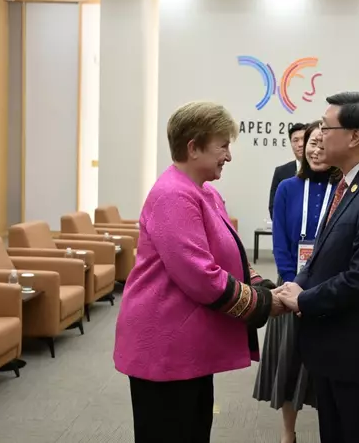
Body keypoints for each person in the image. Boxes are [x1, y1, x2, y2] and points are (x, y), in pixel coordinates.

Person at [113, 101, 284, 443]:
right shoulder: (173, 196)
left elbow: (229, 254)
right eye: (223, 146)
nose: (228, 156)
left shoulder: (205, 192)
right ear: (193, 147)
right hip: (164, 345)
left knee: (193, 429)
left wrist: (262, 286)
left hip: (186, 344)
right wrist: (263, 303)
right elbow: (201, 277)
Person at [277, 91, 359, 443]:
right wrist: (296, 284)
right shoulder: (348, 182)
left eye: (326, 126)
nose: (318, 135)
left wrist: (303, 299)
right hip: (333, 350)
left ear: (354, 136)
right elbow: (322, 253)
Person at [254, 121, 340, 443]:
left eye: (323, 144)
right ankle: (288, 433)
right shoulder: (287, 187)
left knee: (329, 366)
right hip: (290, 286)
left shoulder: (344, 189)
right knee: (289, 363)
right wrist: (293, 287)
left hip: (331, 287)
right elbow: (280, 243)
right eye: (311, 143)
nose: (316, 150)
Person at [269, 123, 307, 218]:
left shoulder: (320, 169)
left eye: (304, 139)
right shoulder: (281, 172)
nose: (300, 144)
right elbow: (273, 208)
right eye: (295, 140)